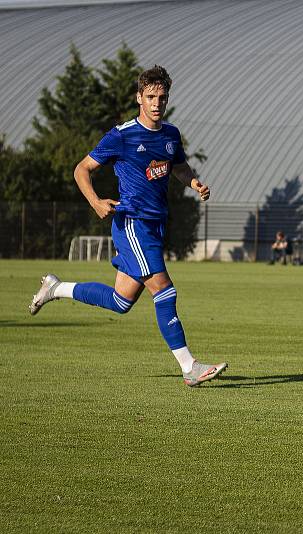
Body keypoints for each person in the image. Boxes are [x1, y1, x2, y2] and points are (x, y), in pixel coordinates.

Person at [28, 65, 227, 387]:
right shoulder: (121, 135)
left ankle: (55, 288)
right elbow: (82, 168)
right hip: (132, 224)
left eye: (162, 97)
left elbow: (178, 165)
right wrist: (95, 201)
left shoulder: (170, 135)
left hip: (155, 225)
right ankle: (189, 366)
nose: (156, 103)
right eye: (150, 96)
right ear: (139, 97)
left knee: (121, 301)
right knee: (165, 289)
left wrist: (193, 183)